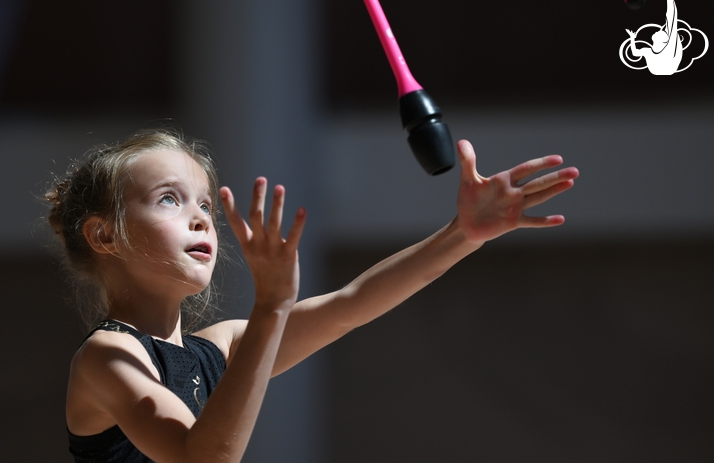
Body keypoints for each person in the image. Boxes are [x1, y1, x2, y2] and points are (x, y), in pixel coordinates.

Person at [46, 128, 579, 462]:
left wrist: (463, 233)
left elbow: (352, 304)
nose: (200, 218)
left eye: (206, 204)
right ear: (104, 236)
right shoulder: (106, 357)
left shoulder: (224, 347)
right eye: (169, 199)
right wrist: (272, 306)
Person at [626, 0, 682, 75]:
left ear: (664, 41)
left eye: (663, 32)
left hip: (665, 73)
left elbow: (635, 53)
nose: (660, 30)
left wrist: (632, 38)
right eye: (664, 31)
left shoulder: (666, 50)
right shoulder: (654, 50)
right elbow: (671, 19)